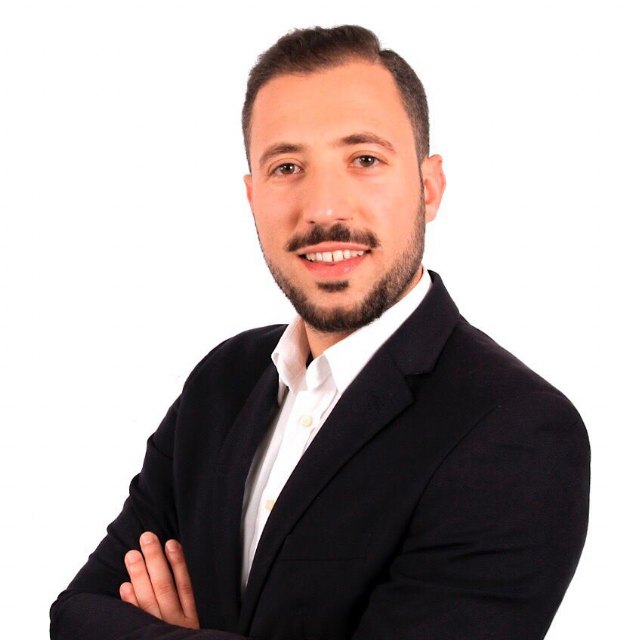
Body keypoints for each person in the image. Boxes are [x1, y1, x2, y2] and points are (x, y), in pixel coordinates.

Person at [50, 25, 590, 640]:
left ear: (429, 187)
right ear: (252, 197)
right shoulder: (222, 382)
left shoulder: (517, 430)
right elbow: (77, 614)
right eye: (287, 167)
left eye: (365, 160)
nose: (324, 209)